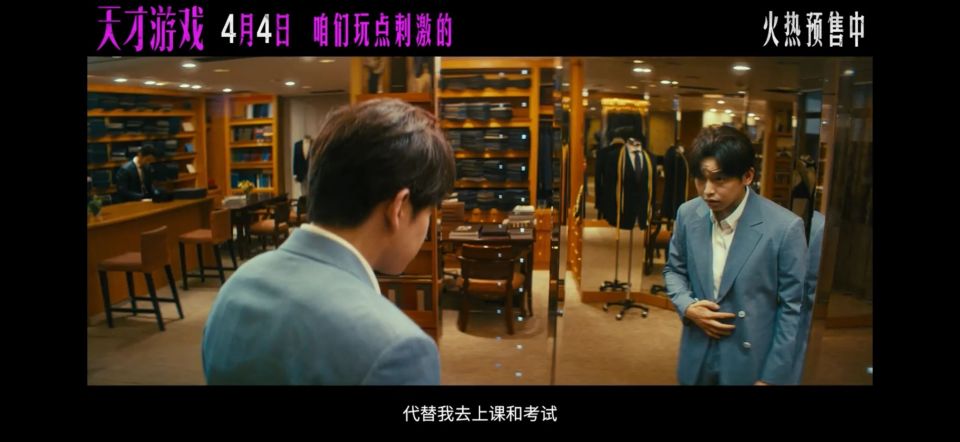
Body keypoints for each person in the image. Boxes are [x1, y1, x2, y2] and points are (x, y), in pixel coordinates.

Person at [202, 98, 456, 385]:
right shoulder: (398, 348)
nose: (428, 225)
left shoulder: (236, 287)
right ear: (400, 208)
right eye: (430, 212)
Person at [663, 125, 807, 385]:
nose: (707, 190)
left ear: (747, 176)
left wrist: (773, 377)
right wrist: (687, 306)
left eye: (719, 179)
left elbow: (793, 309)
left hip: (750, 361)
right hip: (697, 354)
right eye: (701, 178)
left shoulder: (784, 228)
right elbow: (674, 269)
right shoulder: (688, 214)